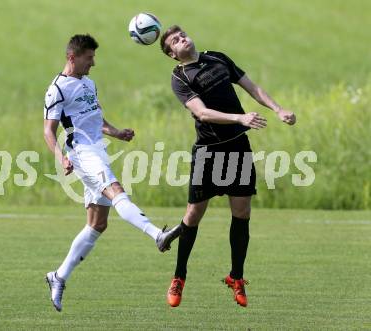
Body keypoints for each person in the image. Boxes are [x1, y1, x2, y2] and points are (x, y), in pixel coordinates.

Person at [159, 25, 296, 308]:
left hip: (237, 147)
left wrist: (279, 108)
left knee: (242, 212)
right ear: (172, 54)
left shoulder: (218, 58)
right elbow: (202, 113)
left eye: (182, 34)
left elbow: (252, 87)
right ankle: (179, 277)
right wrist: (240, 118)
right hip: (208, 151)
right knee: (194, 214)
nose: (182, 39)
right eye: (175, 41)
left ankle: (236, 277)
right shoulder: (180, 76)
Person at [43, 34, 181, 312]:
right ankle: (157, 235)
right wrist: (61, 158)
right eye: (89, 58)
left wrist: (116, 132)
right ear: (73, 57)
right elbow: (48, 130)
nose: (93, 63)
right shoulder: (56, 89)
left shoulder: (88, 83)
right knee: (117, 192)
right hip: (82, 152)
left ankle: (57, 277)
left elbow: (94, 116)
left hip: (98, 149)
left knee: (97, 224)